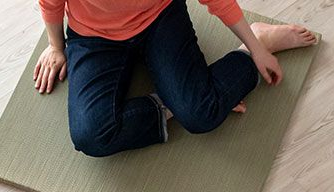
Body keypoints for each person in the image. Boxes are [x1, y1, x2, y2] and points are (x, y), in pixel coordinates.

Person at [32, 0, 317, 157]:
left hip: (160, 19)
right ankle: (183, 98)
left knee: (201, 116)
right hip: (94, 36)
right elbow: (51, 2)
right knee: (91, 136)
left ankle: (260, 38)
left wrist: (255, 48)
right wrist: (56, 46)